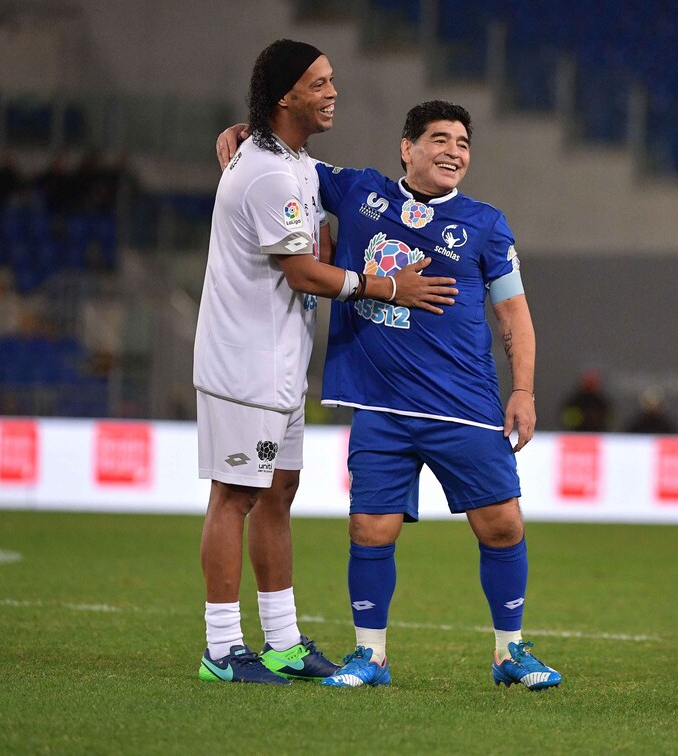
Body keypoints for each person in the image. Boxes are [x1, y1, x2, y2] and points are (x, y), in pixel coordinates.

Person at [216, 99, 562, 691]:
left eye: (463, 143)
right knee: (369, 529)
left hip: (465, 404)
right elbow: (289, 161)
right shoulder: (358, 192)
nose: (454, 151)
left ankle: (510, 651)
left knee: (503, 525)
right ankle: (370, 657)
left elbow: (514, 314)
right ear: (407, 148)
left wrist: (524, 390)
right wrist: (249, 133)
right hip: (381, 405)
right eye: (440, 139)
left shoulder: (486, 224)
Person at [194, 40, 457, 686]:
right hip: (243, 364)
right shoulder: (271, 174)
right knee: (234, 496)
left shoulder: (295, 164)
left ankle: (282, 643)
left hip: (281, 365)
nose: (333, 92)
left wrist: (239, 129)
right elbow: (302, 272)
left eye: (332, 80)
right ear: (286, 96)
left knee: (278, 494)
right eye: (319, 83)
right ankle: (222, 649)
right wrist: (387, 287)